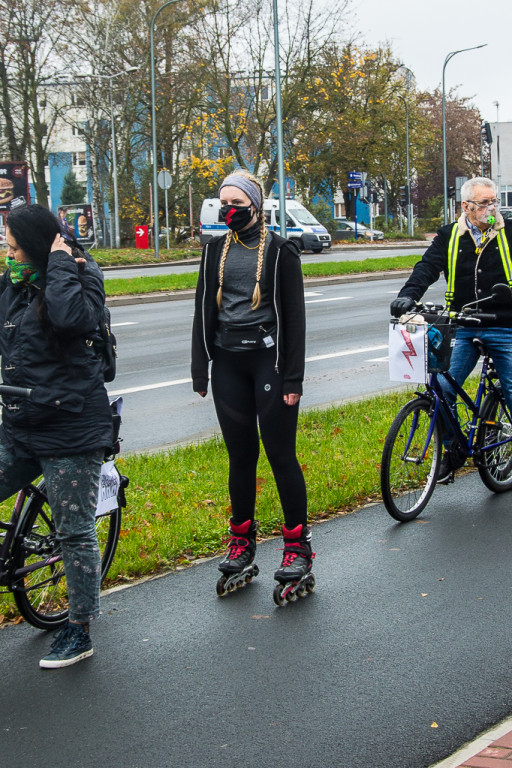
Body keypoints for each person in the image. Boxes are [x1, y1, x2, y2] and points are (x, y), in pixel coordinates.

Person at [191, 170, 313, 595]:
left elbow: (295, 320)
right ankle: (242, 542)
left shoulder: (282, 251)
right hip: (228, 362)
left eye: (236, 204)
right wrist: (199, 368)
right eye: (223, 202)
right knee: (240, 456)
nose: (228, 210)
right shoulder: (212, 252)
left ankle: (297, 546)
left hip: (270, 363)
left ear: (256, 208)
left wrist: (293, 377)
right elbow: (202, 310)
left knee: (280, 454)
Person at [1, 204, 113, 668]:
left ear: (40, 247)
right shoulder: (12, 286)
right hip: (22, 424)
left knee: (75, 532)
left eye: (13, 248)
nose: (7, 256)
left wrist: (62, 262)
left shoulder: (80, 277)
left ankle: (79, 628)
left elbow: (72, 321)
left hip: (72, 427)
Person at [390, 177, 512, 483]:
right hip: (463, 325)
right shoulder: (449, 236)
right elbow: (426, 267)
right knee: (442, 387)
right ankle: (452, 450)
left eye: (493, 201)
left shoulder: (509, 232)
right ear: (466, 206)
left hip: (504, 325)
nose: (491, 208)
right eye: (484, 203)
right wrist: (409, 295)